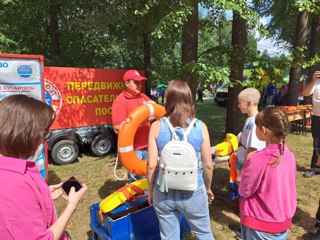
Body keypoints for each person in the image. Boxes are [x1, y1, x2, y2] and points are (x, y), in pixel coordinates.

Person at [0, 94, 87, 240]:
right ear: (25, 134)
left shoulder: (11, 172)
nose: (43, 140)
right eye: (44, 133)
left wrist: (44, 195)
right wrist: (72, 204)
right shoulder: (13, 184)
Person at [147, 80, 214, 240]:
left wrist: (150, 191)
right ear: (189, 100)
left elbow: (151, 165)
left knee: (169, 237)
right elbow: (208, 165)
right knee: (204, 233)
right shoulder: (200, 126)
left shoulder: (156, 126)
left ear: (167, 99)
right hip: (193, 191)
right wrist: (208, 188)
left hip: (163, 191)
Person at [239, 107, 297, 239]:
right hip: (282, 220)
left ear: (263, 130)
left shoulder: (259, 158)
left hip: (259, 222)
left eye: (257, 127)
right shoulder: (289, 155)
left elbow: (245, 190)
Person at [111, 69, 153, 182]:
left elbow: (157, 109)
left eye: (140, 82)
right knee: (137, 182)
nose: (139, 85)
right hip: (134, 151)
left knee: (151, 178)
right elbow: (117, 128)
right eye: (136, 82)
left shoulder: (143, 97)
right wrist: (139, 123)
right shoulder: (120, 102)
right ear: (126, 83)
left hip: (149, 146)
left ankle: (150, 198)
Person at [236, 88, 266, 181]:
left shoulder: (255, 124)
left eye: (240, 103)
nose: (238, 105)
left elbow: (252, 151)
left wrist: (242, 174)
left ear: (249, 103)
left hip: (247, 172)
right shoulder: (250, 119)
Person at [302, 70, 320, 178]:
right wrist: (313, 80)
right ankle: (315, 168)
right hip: (317, 117)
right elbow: (305, 93)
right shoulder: (316, 82)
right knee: (317, 143)